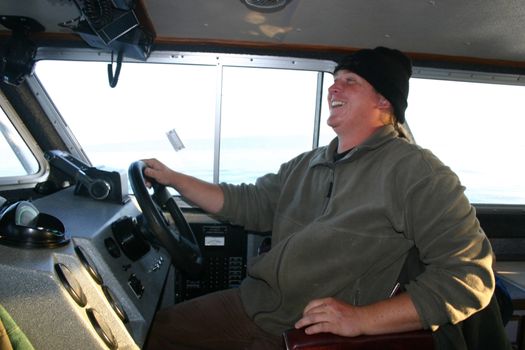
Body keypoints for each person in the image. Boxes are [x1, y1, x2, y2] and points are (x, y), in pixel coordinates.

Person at [143, 47, 495, 350]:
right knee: (148, 333)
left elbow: (469, 276)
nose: (333, 88)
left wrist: (362, 319)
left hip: (310, 331)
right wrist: (174, 179)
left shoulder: (415, 172)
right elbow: (249, 203)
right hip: (255, 302)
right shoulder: (309, 163)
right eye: (334, 79)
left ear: (384, 100)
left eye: (350, 81)